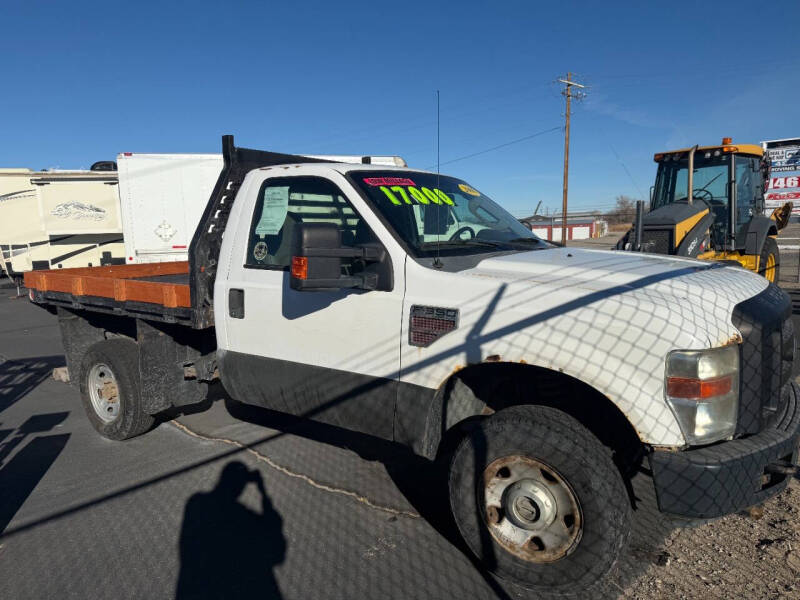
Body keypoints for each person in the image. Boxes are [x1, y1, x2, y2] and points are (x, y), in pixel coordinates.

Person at [176, 461, 286, 599]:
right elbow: (276, 544)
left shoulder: (196, 502)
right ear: (241, 487)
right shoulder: (244, 516)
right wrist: (262, 490)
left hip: (194, 587)